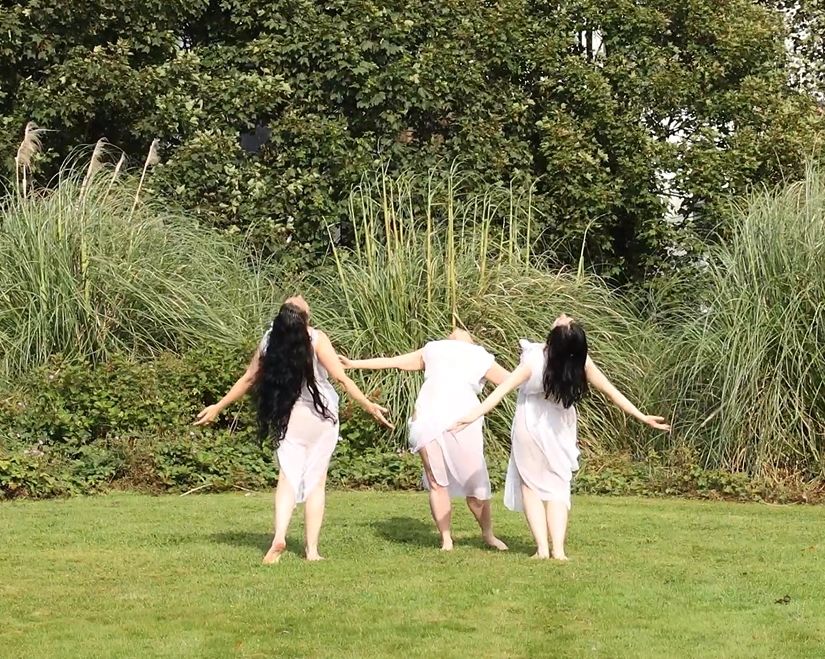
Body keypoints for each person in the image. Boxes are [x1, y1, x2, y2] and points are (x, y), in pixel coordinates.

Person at [451, 314, 670, 560]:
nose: (566, 316)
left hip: (530, 424)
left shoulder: (535, 359)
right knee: (558, 487)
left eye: (566, 322)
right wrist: (641, 415)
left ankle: (542, 549)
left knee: (530, 487)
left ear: (554, 338)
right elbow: (610, 390)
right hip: (560, 428)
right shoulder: (579, 361)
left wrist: (473, 415)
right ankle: (558, 550)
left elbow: (501, 391)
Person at [194, 295, 393, 563]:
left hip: (290, 416)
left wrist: (219, 406)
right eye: (298, 300)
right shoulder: (317, 338)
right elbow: (341, 378)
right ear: (305, 319)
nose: (299, 295)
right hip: (321, 416)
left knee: (287, 477)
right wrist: (368, 405)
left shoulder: (269, 341)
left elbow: (249, 378)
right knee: (316, 482)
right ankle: (312, 551)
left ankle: (279, 536)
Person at [341, 329, 510, 551]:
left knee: (475, 485)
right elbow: (394, 362)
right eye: (453, 333)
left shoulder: (480, 355)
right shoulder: (433, 349)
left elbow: (512, 380)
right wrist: (354, 364)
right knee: (436, 481)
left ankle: (487, 533)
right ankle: (446, 539)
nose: (456, 332)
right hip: (427, 420)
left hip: (463, 421)